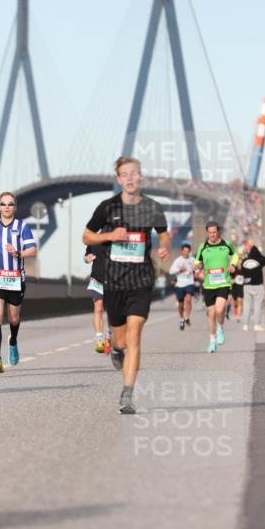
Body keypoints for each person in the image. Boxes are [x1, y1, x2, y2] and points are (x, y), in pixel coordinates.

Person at [82, 156, 169, 414]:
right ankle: (116, 350)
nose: (130, 178)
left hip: (141, 280)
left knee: (135, 334)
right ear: (119, 179)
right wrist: (110, 235)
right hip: (114, 282)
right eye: (125, 174)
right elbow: (86, 235)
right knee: (120, 340)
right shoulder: (107, 207)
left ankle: (128, 393)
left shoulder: (153, 207)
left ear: (140, 176)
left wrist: (164, 246)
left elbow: (163, 232)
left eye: (135, 173)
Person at [0, 191, 37, 373]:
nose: (7, 207)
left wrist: (18, 253)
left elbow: (32, 250)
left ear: (15, 207)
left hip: (16, 278)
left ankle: (13, 341)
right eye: (3, 204)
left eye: (10, 204)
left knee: (13, 317)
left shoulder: (23, 226)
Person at [193, 221, 238, 354]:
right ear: (207, 232)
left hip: (223, 283)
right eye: (210, 232)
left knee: (219, 310)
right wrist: (195, 266)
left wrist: (233, 265)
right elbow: (197, 261)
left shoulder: (226, 244)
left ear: (218, 232)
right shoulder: (203, 247)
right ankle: (212, 341)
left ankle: (221, 328)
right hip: (209, 285)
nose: (212, 235)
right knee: (211, 314)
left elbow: (235, 255)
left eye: (214, 232)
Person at [240, 238, 265, 332]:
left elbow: (242, 270)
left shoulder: (244, 261)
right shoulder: (260, 261)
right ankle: (256, 325)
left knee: (247, 305)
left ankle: (245, 325)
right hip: (258, 285)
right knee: (257, 305)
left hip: (247, 285)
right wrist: (258, 256)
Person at [84, 244, 109, 353]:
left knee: (112, 311)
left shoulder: (115, 236)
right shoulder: (93, 238)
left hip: (113, 280)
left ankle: (109, 335)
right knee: (98, 308)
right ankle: (99, 340)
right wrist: (86, 259)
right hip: (97, 280)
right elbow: (87, 255)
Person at [169, 242, 195, 329]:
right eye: (184, 251)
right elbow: (171, 271)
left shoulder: (192, 260)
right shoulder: (178, 260)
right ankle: (181, 318)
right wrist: (179, 269)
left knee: (188, 300)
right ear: (181, 251)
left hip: (189, 282)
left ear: (189, 251)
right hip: (180, 284)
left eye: (187, 251)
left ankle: (187, 317)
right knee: (180, 304)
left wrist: (196, 270)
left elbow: (198, 268)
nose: (186, 253)